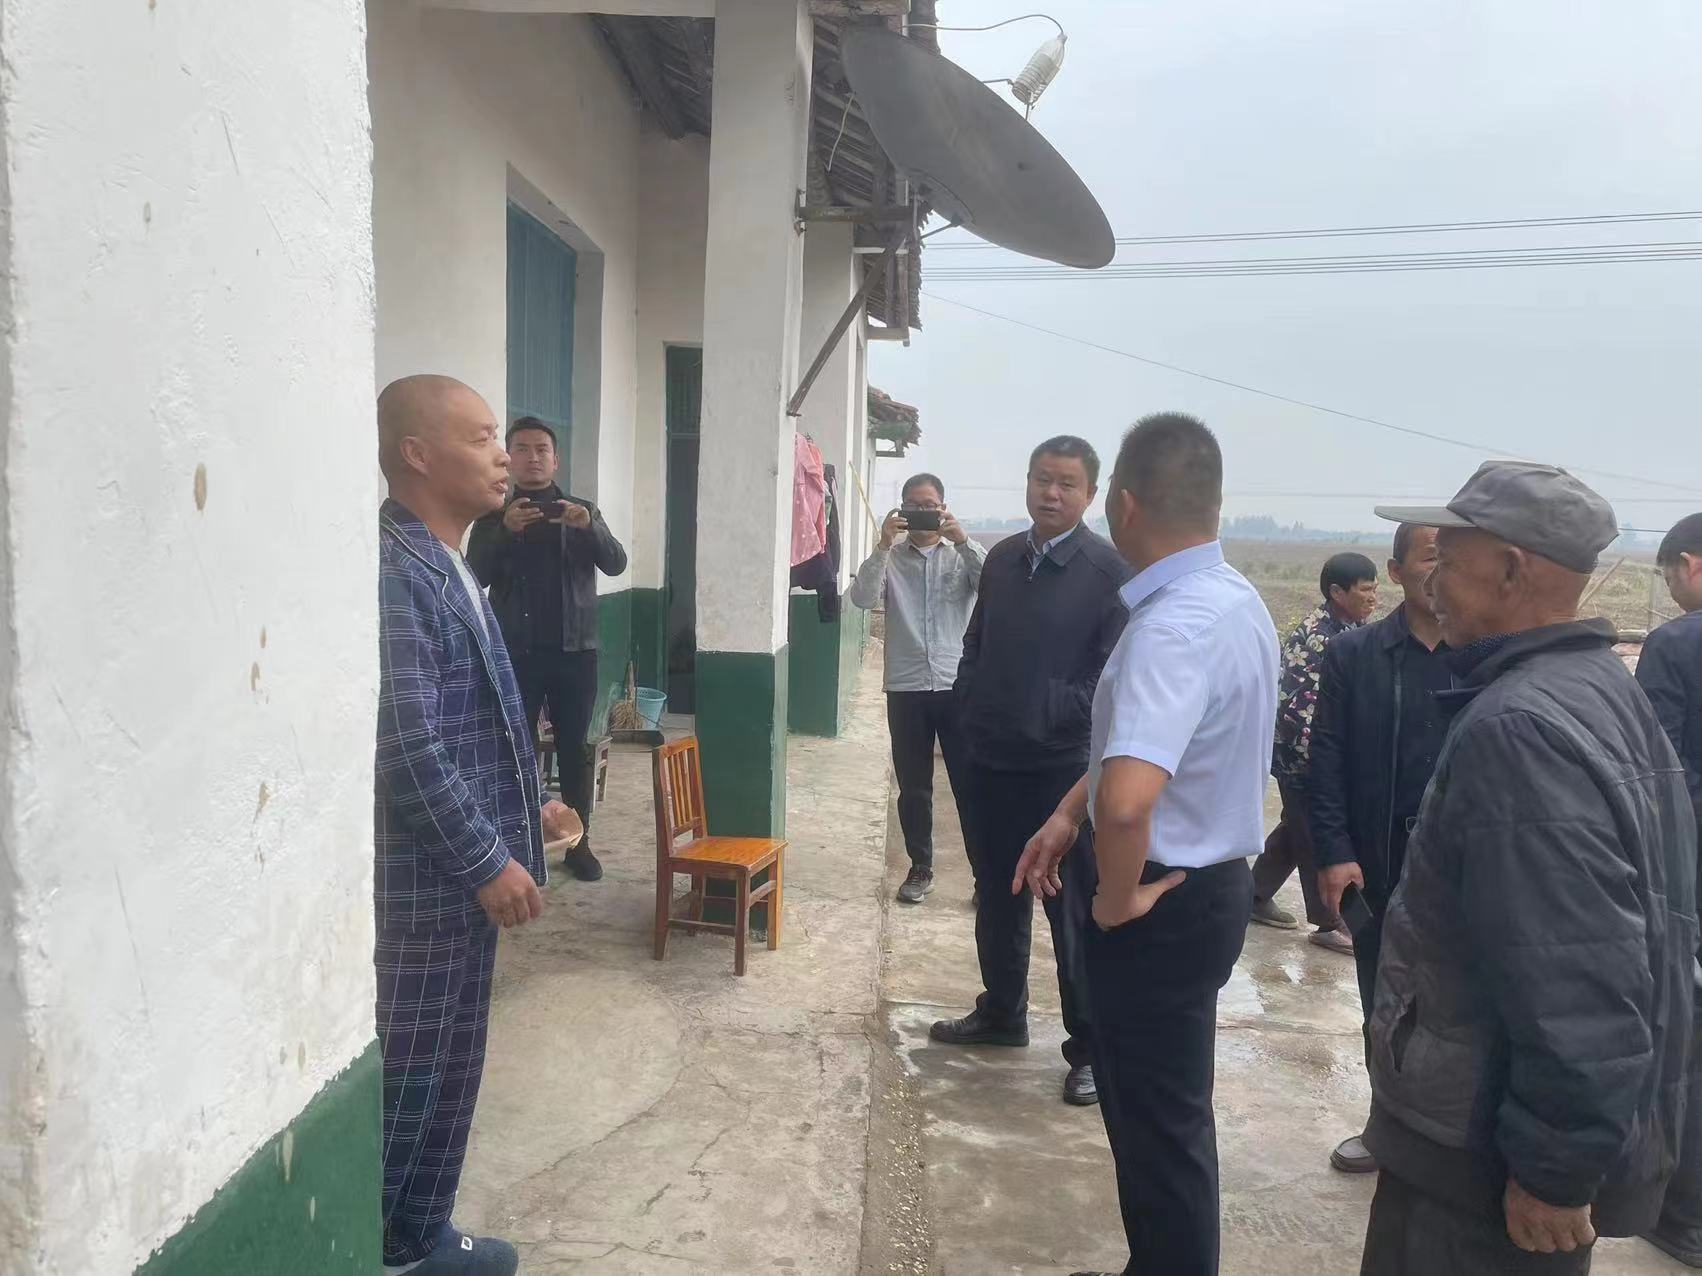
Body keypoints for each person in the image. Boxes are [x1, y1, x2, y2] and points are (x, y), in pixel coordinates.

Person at [1359, 462, 1697, 1275]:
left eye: (1448, 559)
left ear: (1512, 571)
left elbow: (1579, 974)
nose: (1430, 581)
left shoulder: (1520, 728)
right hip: (1485, 1133)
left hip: (1479, 1158)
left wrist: (1553, 1169)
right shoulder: (1597, 687)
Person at [1014, 412, 1278, 1276]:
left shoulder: (1171, 628)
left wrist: (1115, 895)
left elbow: (1129, 804)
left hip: (1159, 898)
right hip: (1209, 887)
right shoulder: (1233, 601)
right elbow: (1145, 757)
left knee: (1158, 1130)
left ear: (1123, 505)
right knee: (1161, 1116)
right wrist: (1069, 812)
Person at [373, 375, 578, 1276]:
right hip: (425, 888)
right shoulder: (396, 570)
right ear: (417, 454)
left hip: (458, 885)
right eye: (482, 438)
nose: (505, 456)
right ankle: (384, 1247)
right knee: (413, 1077)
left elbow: (476, 718)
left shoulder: (450, 559)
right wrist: (487, 858)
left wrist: (531, 806)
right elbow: (407, 743)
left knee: (454, 1067)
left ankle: (418, 1239)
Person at [931, 436, 1131, 1108]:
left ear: (1090, 495)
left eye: (1067, 483)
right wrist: (971, 700)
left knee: (1069, 908)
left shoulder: (1109, 572)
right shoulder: (1003, 559)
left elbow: (1111, 676)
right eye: (1043, 479)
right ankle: (1002, 1011)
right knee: (996, 891)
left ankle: (1091, 1050)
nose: (1051, 493)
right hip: (990, 759)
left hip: (1061, 770)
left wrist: (1048, 709)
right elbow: (977, 641)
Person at [1309, 524, 1453, 1176]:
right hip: (1378, 861)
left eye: (1451, 557)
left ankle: (1450, 1139)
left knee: (1459, 1007)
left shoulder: (1485, 654)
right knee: (1383, 1001)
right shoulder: (1357, 654)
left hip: (1460, 865)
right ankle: (1385, 1126)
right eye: (1429, 557)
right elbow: (1326, 758)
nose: (1440, 570)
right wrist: (1335, 850)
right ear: (1395, 572)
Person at [467, 416, 627, 882]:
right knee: (514, 748)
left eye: (542, 449)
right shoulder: (493, 514)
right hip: (515, 654)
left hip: (575, 653)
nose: (532, 457)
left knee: (574, 749)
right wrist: (505, 531)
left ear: (556, 460)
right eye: (522, 449)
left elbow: (616, 563)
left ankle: (579, 844)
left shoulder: (582, 510)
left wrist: (589, 528)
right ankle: (517, 845)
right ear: (508, 458)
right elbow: (474, 576)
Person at [848, 473, 987, 904]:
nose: (921, 511)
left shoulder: (961, 556)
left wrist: (963, 541)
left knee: (970, 785)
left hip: (956, 685)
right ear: (902, 508)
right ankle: (920, 868)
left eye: (929, 504)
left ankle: (984, 876)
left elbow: (995, 587)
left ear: (943, 506)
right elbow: (861, 598)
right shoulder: (891, 557)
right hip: (906, 687)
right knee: (913, 787)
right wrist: (881, 546)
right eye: (912, 503)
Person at [1250, 551, 1379, 953]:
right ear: (1337, 593)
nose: (1373, 597)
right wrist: (1323, 763)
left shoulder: (1353, 627)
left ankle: (1253, 894)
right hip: (1301, 755)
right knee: (1314, 835)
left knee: (1296, 828)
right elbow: (1299, 709)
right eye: (1365, 589)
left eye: (1375, 589)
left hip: (1326, 751)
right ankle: (1330, 921)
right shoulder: (1318, 637)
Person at [1636, 512, 1702, 1268]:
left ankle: (1682, 1212)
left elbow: (1659, 778)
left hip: (1692, 874)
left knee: (1684, 1039)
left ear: (1690, 564)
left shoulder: (1678, 645)